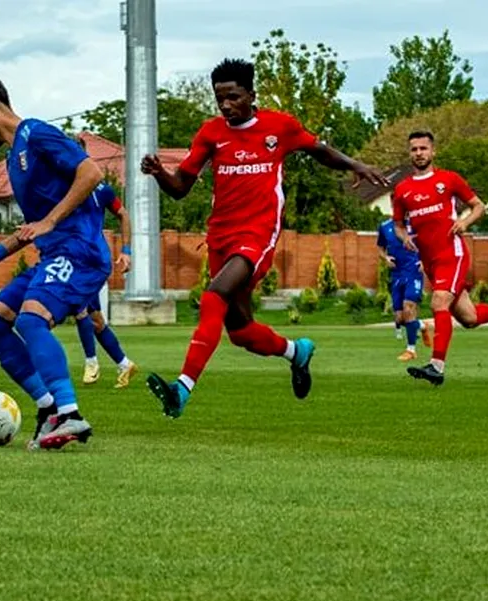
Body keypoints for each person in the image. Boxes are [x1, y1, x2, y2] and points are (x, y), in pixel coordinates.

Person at [140, 58, 387, 418]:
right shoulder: (211, 133)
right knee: (240, 332)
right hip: (220, 236)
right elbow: (180, 189)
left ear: (251, 94)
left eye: (233, 97)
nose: (226, 105)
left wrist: (355, 165)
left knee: (215, 295)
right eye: (219, 98)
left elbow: (319, 150)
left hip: (258, 234)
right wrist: (160, 172)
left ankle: (182, 389)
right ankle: (296, 351)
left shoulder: (278, 126)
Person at [0, 71, 110, 451]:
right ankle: (48, 407)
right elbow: (34, 227)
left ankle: (69, 414)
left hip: (82, 251)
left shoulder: (36, 133)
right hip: (55, 254)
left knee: (30, 318)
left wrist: (53, 220)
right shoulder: (13, 160)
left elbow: (91, 172)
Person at [391, 130, 488, 386]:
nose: (419, 153)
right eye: (414, 149)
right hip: (430, 260)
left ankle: (436, 366)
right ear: (409, 153)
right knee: (469, 318)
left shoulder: (449, 179)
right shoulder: (402, 190)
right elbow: (398, 224)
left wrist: (464, 222)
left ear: (433, 152)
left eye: (423, 148)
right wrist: (403, 237)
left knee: (439, 302)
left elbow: (479, 206)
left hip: (451, 253)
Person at [76, 180, 139, 388]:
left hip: (94, 260)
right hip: (73, 259)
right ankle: (124, 364)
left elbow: (123, 213)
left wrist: (126, 250)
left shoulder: (100, 190)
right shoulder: (58, 187)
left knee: (79, 307)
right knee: (96, 321)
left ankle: (91, 362)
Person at [377, 218, 433, 361]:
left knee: (409, 308)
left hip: (413, 270)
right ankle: (422, 325)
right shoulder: (384, 227)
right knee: (400, 318)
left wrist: (425, 260)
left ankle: (411, 350)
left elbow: (430, 242)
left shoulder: (416, 223)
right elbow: (380, 248)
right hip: (396, 274)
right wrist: (385, 258)